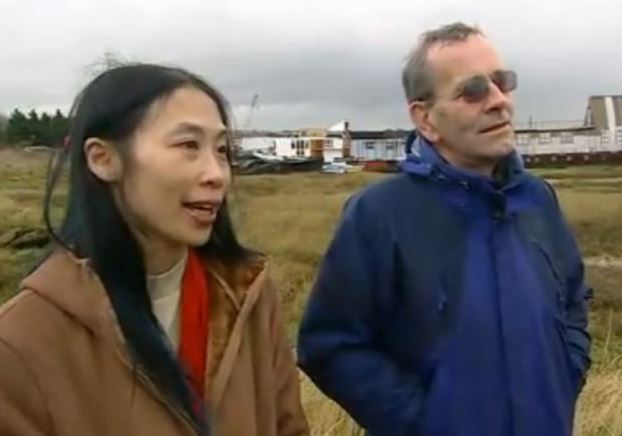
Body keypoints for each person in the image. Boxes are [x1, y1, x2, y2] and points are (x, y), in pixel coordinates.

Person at [297, 22, 591, 436]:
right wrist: (428, 421)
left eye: (502, 82)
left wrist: (566, 375)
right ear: (426, 119)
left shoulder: (538, 200)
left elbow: (575, 299)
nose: (498, 101)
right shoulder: (378, 214)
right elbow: (330, 345)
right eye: (472, 91)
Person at [0, 63, 309, 436]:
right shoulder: (21, 342)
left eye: (222, 149)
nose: (217, 174)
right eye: (188, 146)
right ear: (103, 159)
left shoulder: (248, 297)